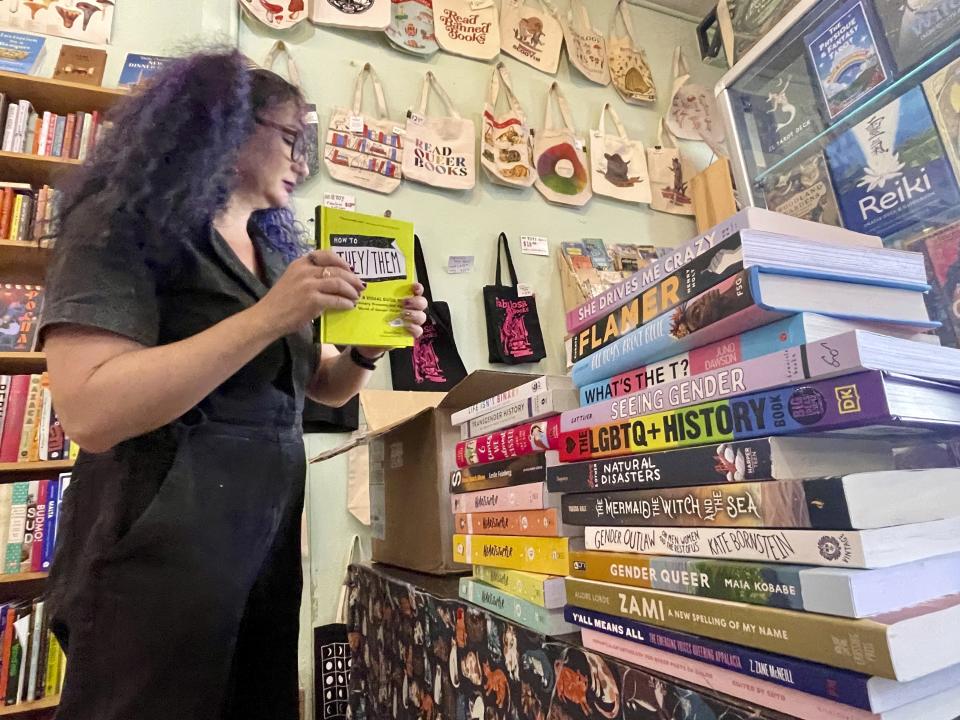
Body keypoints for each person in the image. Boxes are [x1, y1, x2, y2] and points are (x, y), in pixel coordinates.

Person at [38, 49, 428, 720]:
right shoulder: (119, 225)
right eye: (290, 136)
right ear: (226, 126)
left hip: (264, 533)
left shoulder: (274, 249)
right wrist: (270, 314)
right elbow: (92, 409)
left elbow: (320, 392)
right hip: (156, 542)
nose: (303, 160)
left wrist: (364, 347)